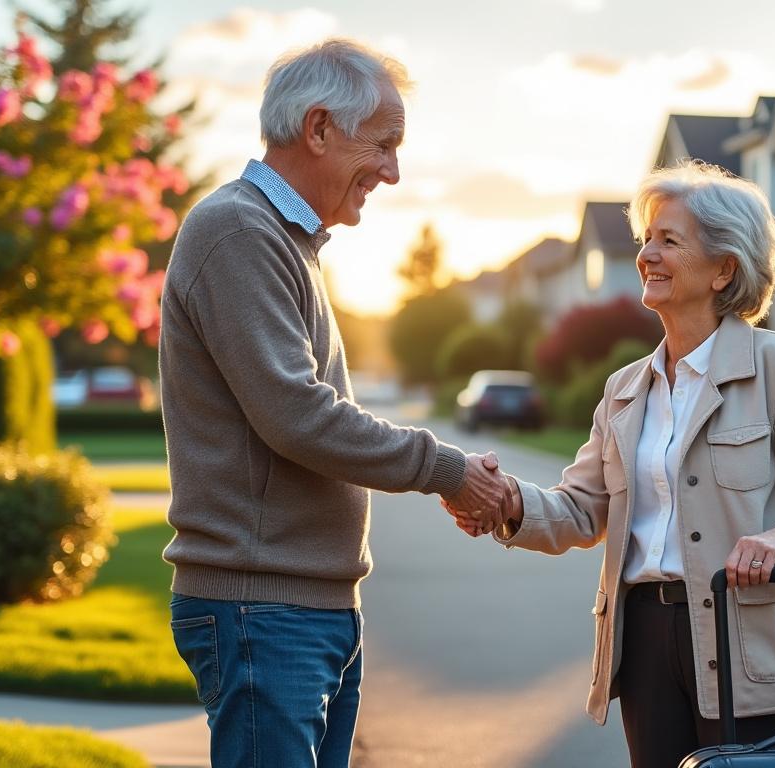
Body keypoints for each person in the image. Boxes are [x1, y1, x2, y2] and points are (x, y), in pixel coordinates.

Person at [158, 39, 511, 767]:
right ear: (318, 128)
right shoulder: (238, 230)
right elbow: (297, 415)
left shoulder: (284, 240)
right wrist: (446, 469)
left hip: (300, 607)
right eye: (382, 145)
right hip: (263, 607)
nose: (392, 171)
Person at [446, 161, 775, 768]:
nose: (647, 255)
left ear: (724, 269)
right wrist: (508, 501)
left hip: (750, 644)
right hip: (643, 639)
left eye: (669, 240)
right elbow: (581, 508)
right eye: (647, 239)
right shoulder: (624, 390)